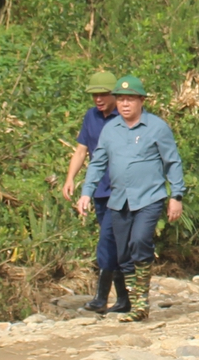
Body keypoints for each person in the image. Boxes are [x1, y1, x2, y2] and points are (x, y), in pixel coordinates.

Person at [77, 75, 184, 321]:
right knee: (123, 253)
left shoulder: (156, 127)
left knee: (139, 242)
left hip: (149, 197)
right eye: (121, 99)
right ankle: (134, 301)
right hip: (119, 199)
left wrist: (176, 195)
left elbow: (172, 162)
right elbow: (97, 163)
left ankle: (141, 303)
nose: (125, 104)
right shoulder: (110, 130)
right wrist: (86, 192)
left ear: (141, 101)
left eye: (130, 99)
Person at [60, 69, 121, 312]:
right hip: (99, 189)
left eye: (104, 94)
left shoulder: (125, 116)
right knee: (108, 240)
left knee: (110, 240)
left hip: (123, 189)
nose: (99, 99)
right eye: (95, 95)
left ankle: (105, 297)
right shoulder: (91, 117)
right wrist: (70, 178)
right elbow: (81, 150)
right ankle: (109, 296)